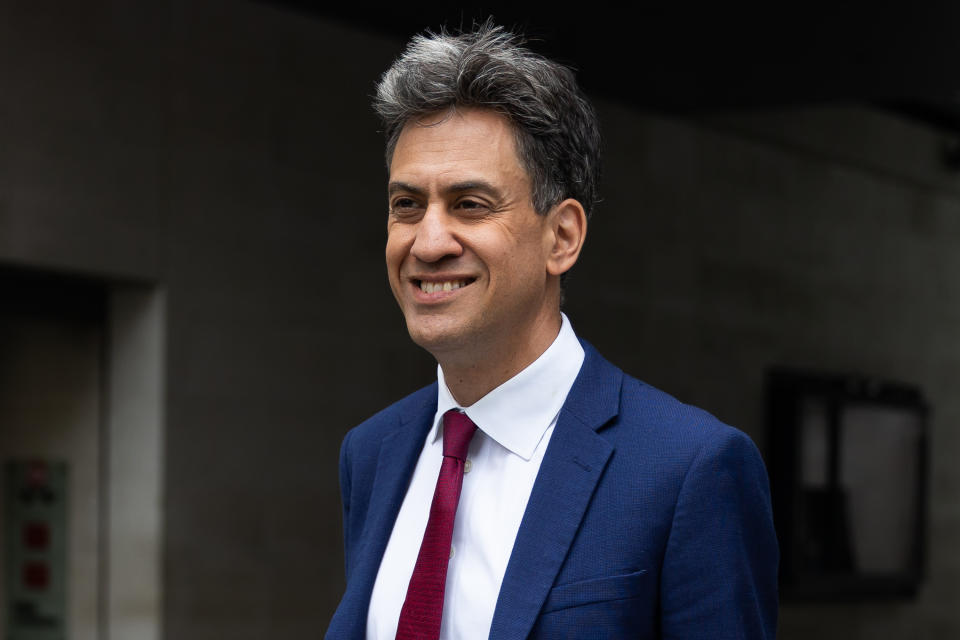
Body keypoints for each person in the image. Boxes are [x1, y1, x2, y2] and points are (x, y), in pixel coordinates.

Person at [326, 22, 778, 640]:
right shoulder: (372, 454)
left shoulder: (689, 469)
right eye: (407, 204)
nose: (427, 242)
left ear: (561, 237)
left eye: (470, 204)